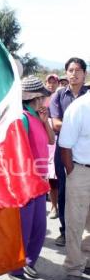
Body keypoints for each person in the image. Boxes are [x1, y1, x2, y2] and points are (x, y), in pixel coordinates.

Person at [9, 76, 54, 280]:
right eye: (43, 96)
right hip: (28, 182)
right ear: (35, 98)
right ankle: (16, 268)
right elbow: (20, 151)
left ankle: (28, 262)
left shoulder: (39, 117)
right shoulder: (23, 118)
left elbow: (52, 140)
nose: (45, 100)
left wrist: (45, 123)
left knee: (39, 227)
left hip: (40, 181)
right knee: (25, 227)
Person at [50, 57, 87, 246]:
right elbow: (55, 124)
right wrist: (79, 128)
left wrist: (72, 127)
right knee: (65, 190)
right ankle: (65, 231)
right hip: (64, 151)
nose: (74, 74)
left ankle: (84, 236)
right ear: (66, 73)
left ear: (85, 74)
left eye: (78, 70)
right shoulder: (58, 95)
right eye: (70, 70)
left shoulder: (88, 95)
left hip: (85, 153)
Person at [59, 91, 90, 280]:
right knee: (75, 221)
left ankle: (87, 256)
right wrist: (72, 172)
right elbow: (64, 146)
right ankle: (74, 268)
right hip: (80, 171)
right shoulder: (80, 107)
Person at [45, 74, 59, 219]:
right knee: (51, 177)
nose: (51, 84)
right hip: (47, 143)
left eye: (54, 82)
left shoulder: (60, 97)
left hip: (60, 140)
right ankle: (54, 207)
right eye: (49, 82)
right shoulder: (41, 99)